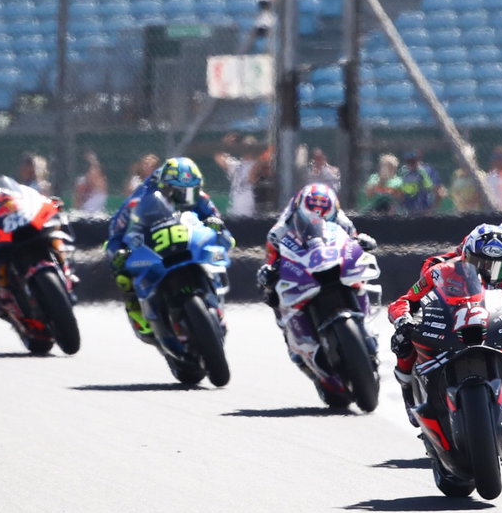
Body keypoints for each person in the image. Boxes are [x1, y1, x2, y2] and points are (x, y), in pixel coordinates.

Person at [388, 224, 502, 423]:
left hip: (494, 331)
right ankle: (407, 389)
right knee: (403, 338)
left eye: (497, 267)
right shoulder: (440, 271)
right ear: (465, 257)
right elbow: (405, 301)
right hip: (449, 325)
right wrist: (403, 319)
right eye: (479, 264)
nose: (487, 272)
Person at [254, 184, 377, 398]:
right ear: (299, 209)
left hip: (334, 266)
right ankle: (305, 358)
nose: (319, 218)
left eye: (325, 214)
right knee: (275, 300)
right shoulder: (280, 231)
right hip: (303, 273)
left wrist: (362, 243)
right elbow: (271, 259)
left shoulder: (342, 222)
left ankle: (365, 327)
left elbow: (353, 242)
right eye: (313, 213)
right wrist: (269, 273)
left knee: (360, 280)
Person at [106, 157, 233, 341]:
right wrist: (118, 251)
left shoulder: (198, 195)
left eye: (193, 191)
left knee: (217, 251)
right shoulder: (141, 197)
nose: (188, 198)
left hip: (187, 238)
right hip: (152, 242)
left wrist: (217, 227)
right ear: (166, 188)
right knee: (121, 271)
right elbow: (115, 231)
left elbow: (220, 226)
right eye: (181, 193)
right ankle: (137, 312)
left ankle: (215, 300)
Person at [214, 135, 262, 217]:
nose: (245, 148)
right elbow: (218, 157)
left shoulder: (258, 165)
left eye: (249, 146)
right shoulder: (237, 166)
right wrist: (224, 144)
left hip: (252, 216)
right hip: (234, 214)